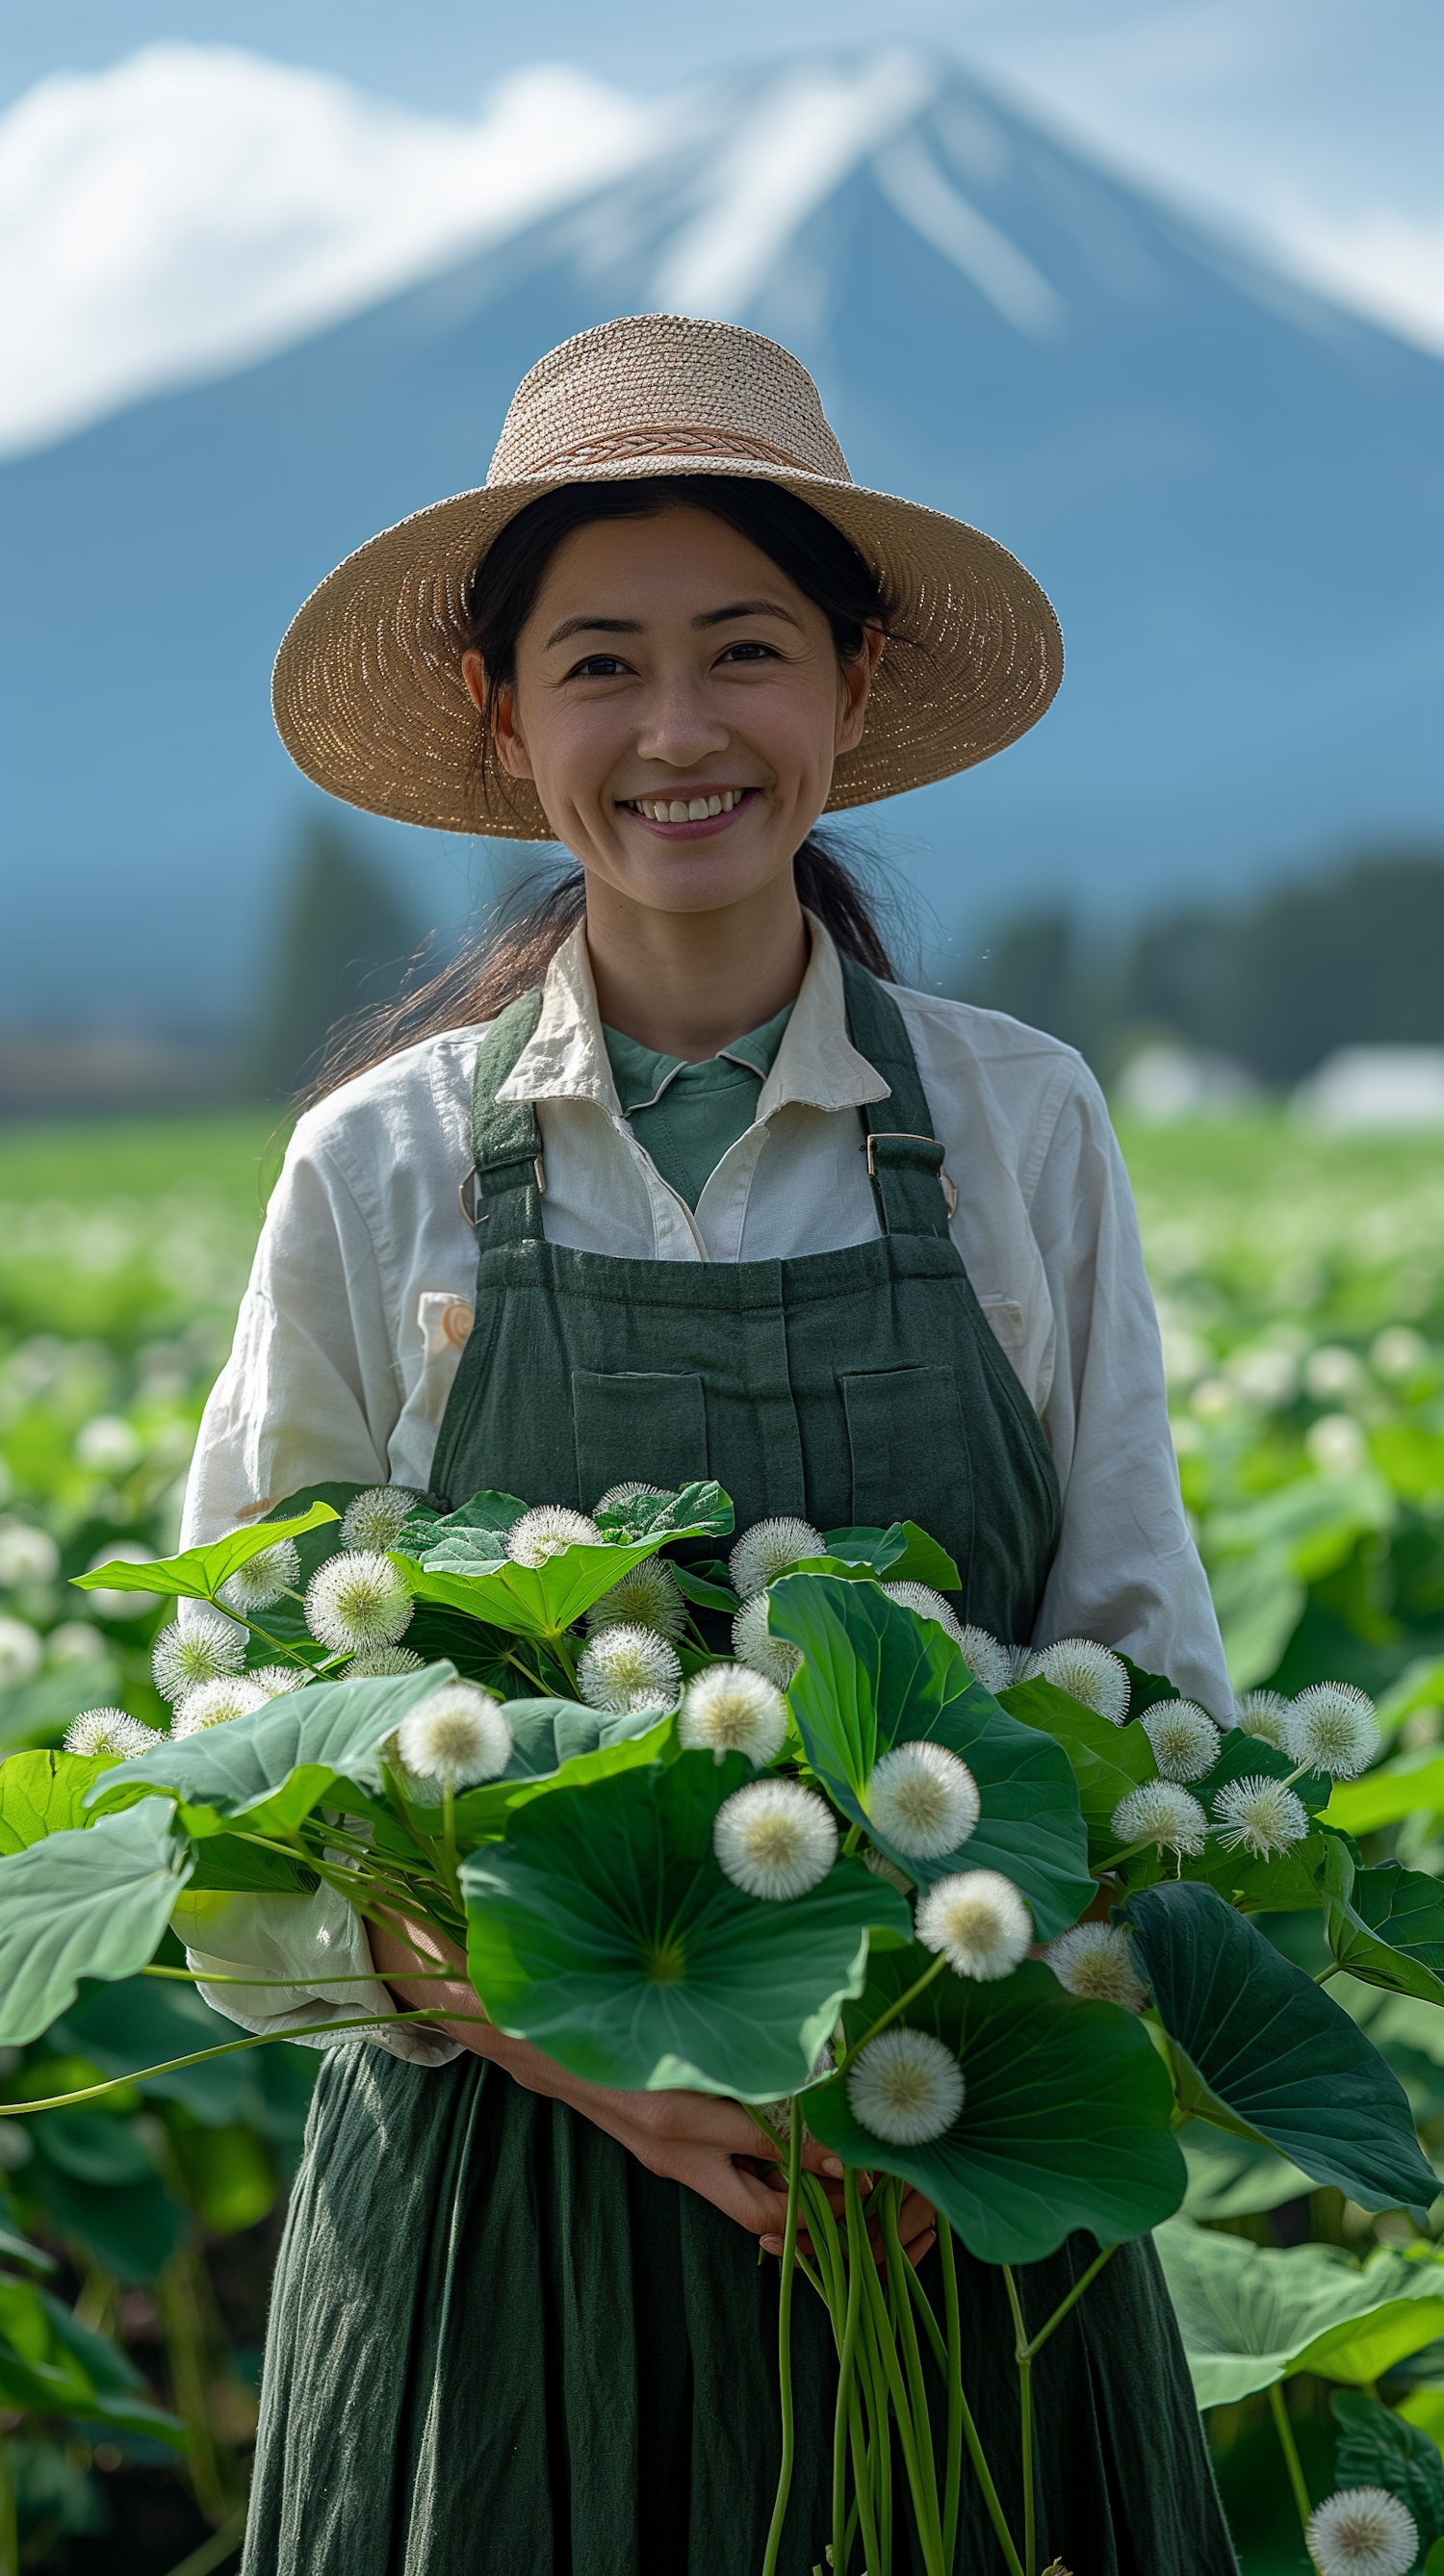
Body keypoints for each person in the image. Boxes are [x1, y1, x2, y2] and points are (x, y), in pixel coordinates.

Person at [185, 315, 1238, 2573]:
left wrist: (951, 2040)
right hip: (499, 2231)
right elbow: (251, 1796)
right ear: (502, 715)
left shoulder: (1017, 1120)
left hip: (946, 2187)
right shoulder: (375, 1173)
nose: (678, 734)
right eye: (600, 665)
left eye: (743, 651)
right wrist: (601, 2054)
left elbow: (1147, 1679)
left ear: (851, 689)